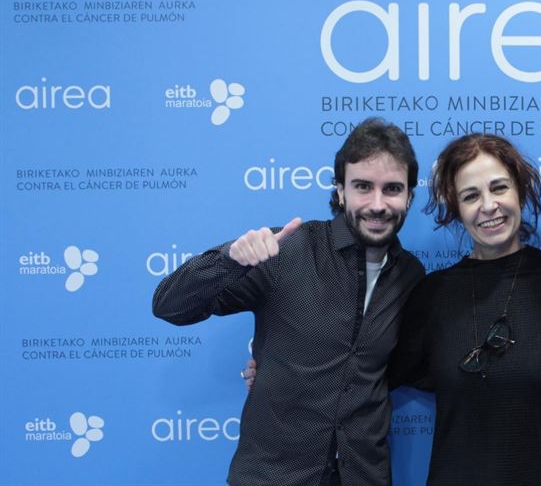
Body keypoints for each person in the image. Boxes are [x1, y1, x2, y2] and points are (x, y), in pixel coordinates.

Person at [153, 118, 425, 486]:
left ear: (408, 196)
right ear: (341, 191)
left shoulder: (410, 276)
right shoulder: (289, 250)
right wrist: (229, 260)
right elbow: (169, 306)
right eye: (363, 187)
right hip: (273, 477)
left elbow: (392, 368)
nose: (378, 204)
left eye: (392, 189)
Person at [388, 134, 541, 485]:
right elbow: (369, 372)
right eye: (471, 196)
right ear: (456, 208)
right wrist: (280, 363)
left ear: (520, 190)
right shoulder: (432, 294)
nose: (489, 205)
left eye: (499, 188)